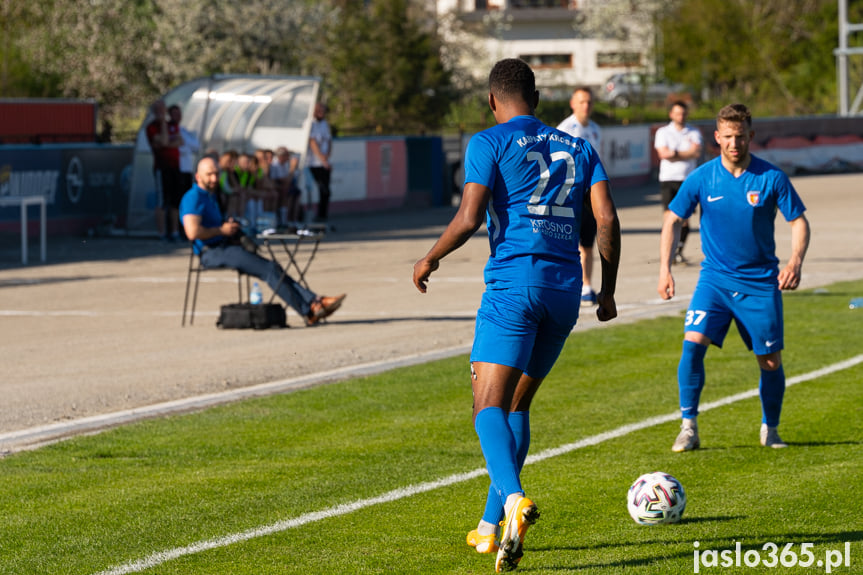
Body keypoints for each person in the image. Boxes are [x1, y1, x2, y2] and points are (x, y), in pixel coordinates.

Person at [413, 58, 620, 572]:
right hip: (566, 291)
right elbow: (607, 221)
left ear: (491, 99)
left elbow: (469, 216)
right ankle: (488, 527)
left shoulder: (488, 142)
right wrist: (608, 294)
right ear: (539, 97)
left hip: (513, 285)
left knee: (487, 404)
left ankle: (512, 501)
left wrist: (431, 256)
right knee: (518, 405)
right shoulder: (579, 146)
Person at [657, 103, 810, 452]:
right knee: (692, 346)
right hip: (715, 281)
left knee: (770, 361)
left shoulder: (771, 178)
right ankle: (688, 427)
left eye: (740, 136)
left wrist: (795, 261)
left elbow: (798, 221)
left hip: (759, 284)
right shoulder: (702, 177)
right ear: (717, 137)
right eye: (727, 137)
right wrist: (665, 268)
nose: (734, 143)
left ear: (751, 136)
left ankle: (770, 429)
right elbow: (672, 219)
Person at [180, 157, 346, 327]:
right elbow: (192, 232)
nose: (214, 179)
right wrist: (222, 230)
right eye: (209, 175)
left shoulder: (210, 196)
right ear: (198, 176)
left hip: (225, 246)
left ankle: (314, 301)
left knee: (273, 267)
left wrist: (230, 228)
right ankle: (309, 310)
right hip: (211, 252)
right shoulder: (193, 198)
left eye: (216, 174)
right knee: (267, 270)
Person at [557, 86, 602, 306]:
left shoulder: (595, 129)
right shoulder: (565, 129)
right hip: (570, 196)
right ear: (573, 104)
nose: (586, 106)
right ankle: (568, 285)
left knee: (588, 243)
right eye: (582, 102)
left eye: (589, 102)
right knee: (569, 243)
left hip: (590, 195)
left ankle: (586, 286)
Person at [654, 100, 703, 264]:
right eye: (677, 113)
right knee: (669, 217)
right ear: (671, 114)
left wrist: (675, 153)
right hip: (668, 179)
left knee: (685, 218)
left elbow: (696, 152)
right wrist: (685, 153)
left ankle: (679, 250)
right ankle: (668, 251)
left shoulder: (694, 131)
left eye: (683, 113)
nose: (680, 116)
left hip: (688, 179)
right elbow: (663, 154)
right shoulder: (663, 132)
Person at [146, 99, 184, 241]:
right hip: (162, 168)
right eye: (159, 110)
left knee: (175, 201)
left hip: (175, 167)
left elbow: (180, 141)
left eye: (163, 109)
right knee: (162, 201)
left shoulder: (173, 125)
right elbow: (163, 141)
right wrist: (162, 125)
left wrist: (167, 142)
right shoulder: (152, 127)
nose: (162, 112)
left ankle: (174, 232)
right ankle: (161, 233)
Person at [307, 102, 333, 223]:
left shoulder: (324, 124)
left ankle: (323, 215)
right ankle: (316, 214)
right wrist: (321, 158)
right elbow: (312, 142)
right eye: (318, 111)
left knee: (327, 191)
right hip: (314, 162)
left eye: (323, 111)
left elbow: (328, 140)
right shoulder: (310, 123)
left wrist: (327, 156)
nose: (321, 113)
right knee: (321, 188)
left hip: (324, 162)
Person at [271, 146, 302, 225]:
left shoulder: (285, 164)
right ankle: (284, 220)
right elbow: (285, 181)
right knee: (286, 192)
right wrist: (292, 168)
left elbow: (292, 179)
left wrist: (294, 168)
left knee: (297, 192)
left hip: (283, 186)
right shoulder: (276, 165)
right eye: (286, 155)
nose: (288, 158)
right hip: (276, 187)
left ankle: (293, 220)